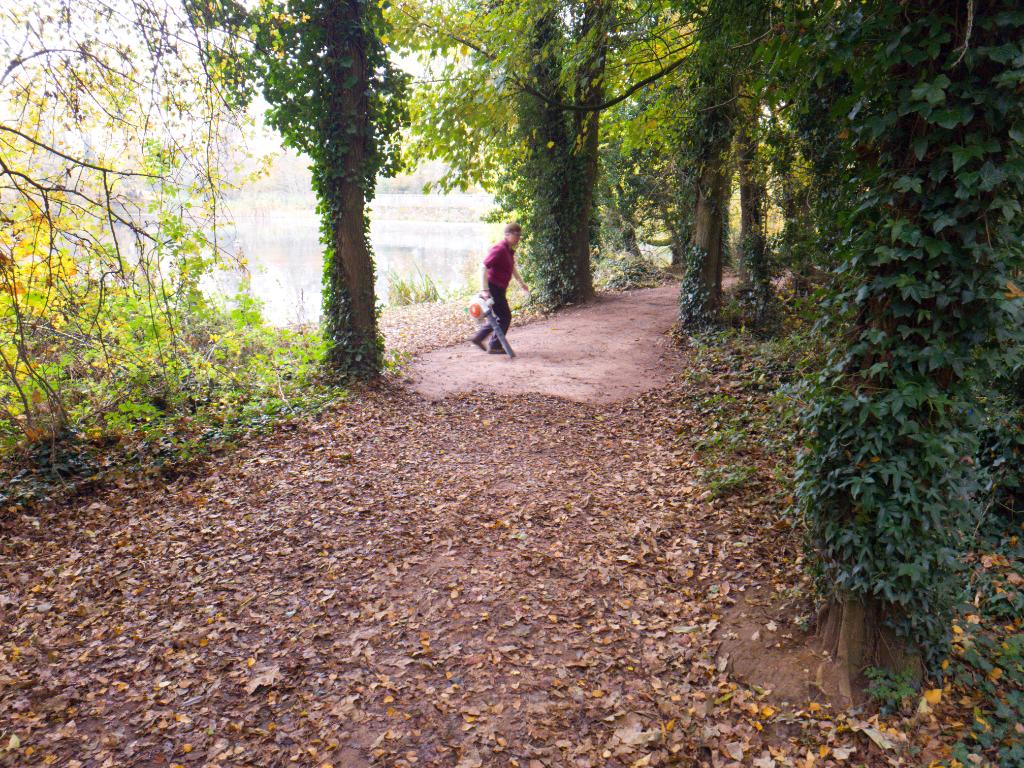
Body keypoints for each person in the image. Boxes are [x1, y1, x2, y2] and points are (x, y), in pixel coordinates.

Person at [471, 222, 529, 354]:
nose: (518, 238)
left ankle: (479, 338)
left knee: (501, 317)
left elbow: (511, 267)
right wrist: (484, 290)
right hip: (493, 288)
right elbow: (483, 266)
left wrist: (521, 283)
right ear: (507, 235)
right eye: (516, 235)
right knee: (505, 317)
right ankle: (494, 345)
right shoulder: (499, 249)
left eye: (520, 235)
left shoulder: (508, 250)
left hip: (500, 289)